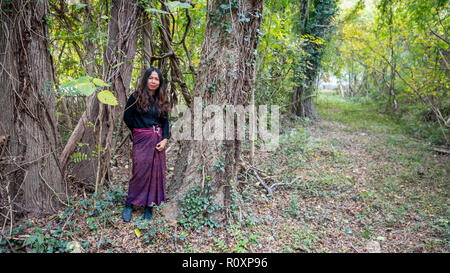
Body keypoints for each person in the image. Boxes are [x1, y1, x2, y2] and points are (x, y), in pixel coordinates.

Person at [122, 67, 170, 222]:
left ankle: (148, 207)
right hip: (141, 139)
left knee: (154, 174)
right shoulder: (136, 97)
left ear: (160, 82)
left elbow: (165, 122)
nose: (154, 81)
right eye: (151, 78)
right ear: (146, 79)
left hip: (157, 140)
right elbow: (127, 117)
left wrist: (165, 139)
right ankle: (129, 204)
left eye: (157, 79)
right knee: (139, 172)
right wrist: (138, 131)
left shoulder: (162, 99)